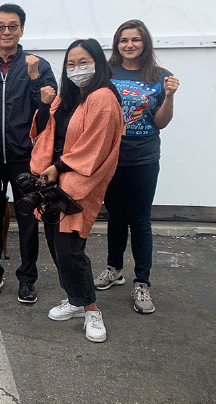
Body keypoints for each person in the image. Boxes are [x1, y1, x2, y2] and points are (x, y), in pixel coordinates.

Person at [30, 39, 122, 343]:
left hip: (78, 181)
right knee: (56, 245)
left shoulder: (103, 97)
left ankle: (91, 309)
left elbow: (95, 146)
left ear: (97, 63)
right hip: (53, 180)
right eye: (70, 64)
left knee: (71, 249)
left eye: (83, 62)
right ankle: (75, 300)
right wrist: (44, 105)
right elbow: (45, 130)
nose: (76, 69)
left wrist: (59, 167)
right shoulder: (68, 96)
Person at [0, 3, 57, 304]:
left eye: (13, 26)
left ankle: (27, 278)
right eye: (0, 27)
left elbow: (48, 113)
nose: (6, 31)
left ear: (22, 30)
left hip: (26, 158)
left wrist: (34, 79)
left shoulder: (39, 65)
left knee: (28, 218)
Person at [94, 20, 180, 314]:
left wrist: (169, 96)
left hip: (143, 158)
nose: (129, 45)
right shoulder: (106, 72)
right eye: (123, 40)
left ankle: (142, 283)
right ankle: (114, 269)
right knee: (115, 217)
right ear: (116, 44)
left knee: (141, 221)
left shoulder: (160, 76)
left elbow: (161, 123)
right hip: (110, 157)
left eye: (135, 39)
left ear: (145, 43)